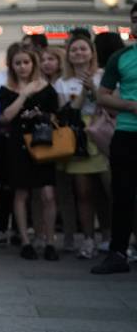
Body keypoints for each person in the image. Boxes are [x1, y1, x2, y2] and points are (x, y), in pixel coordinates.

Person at [0, 44, 60, 261]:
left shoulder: (46, 88)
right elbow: (5, 117)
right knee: (21, 193)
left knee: (48, 194)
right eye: (18, 63)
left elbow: (55, 116)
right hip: (17, 145)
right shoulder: (6, 90)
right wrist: (23, 95)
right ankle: (25, 241)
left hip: (43, 143)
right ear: (12, 66)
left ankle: (50, 241)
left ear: (33, 63)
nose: (22, 67)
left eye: (26, 62)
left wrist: (40, 114)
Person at [91, 3, 137, 274]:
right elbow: (102, 95)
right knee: (122, 194)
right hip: (127, 134)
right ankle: (118, 252)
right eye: (134, 19)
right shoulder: (120, 57)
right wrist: (130, 106)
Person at [58, 34, 110, 259]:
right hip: (78, 137)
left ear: (92, 52)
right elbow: (67, 113)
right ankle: (88, 238)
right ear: (68, 55)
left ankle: (110, 237)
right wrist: (83, 92)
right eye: (74, 50)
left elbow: (109, 103)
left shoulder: (105, 75)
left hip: (103, 132)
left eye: (83, 49)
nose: (79, 53)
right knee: (84, 192)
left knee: (109, 190)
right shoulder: (63, 81)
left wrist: (94, 88)